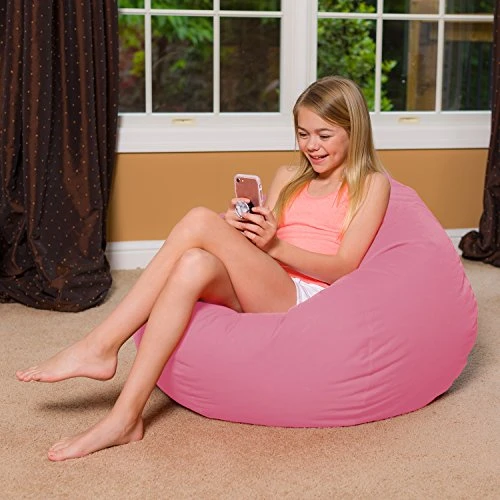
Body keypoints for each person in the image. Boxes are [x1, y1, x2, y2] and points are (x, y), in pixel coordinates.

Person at [16, 76, 391, 461]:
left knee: (198, 220)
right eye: (303, 134)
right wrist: (240, 228)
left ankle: (101, 345)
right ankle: (125, 417)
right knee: (193, 263)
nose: (312, 146)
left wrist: (274, 246)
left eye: (325, 135)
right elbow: (261, 242)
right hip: (268, 278)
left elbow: (344, 268)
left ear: (354, 131)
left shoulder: (371, 185)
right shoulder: (288, 177)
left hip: (306, 298)